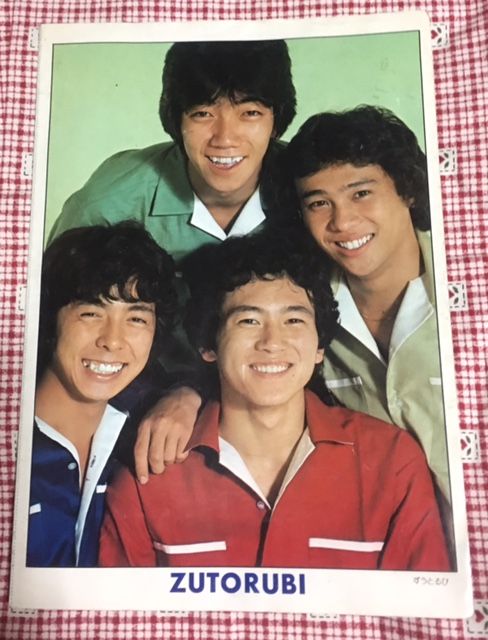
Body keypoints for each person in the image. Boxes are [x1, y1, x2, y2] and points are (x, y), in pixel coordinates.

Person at [99, 232, 450, 571]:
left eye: (293, 320)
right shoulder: (150, 470)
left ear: (319, 347)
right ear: (208, 345)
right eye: (249, 320)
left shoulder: (392, 462)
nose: (272, 342)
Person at [285, 105, 450, 505]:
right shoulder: (306, 314)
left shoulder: (469, 284)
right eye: (319, 203)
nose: (342, 221)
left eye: (361, 193)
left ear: (407, 190)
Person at [48, 40, 297, 261]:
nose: (225, 138)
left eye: (250, 113)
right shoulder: (106, 204)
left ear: (276, 121)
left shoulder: (306, 182)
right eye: (202, 114)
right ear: (177, 120)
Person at [27, 221, 177, 567]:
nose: (112, 340)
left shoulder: (138, 430)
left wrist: (186, 395)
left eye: (136, 319)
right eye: (91, 313)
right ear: (51, 319)